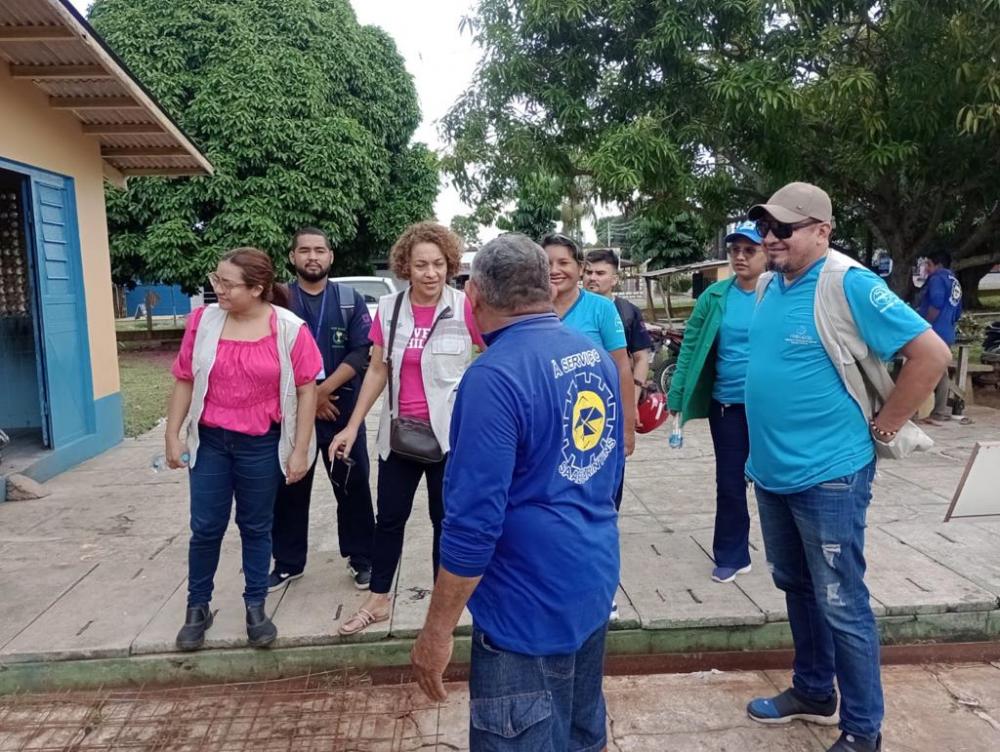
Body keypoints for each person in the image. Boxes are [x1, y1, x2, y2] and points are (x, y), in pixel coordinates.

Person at [743, 183, 951, 752]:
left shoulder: (847, 282)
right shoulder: (769, 284)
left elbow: (932, 354)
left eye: (784, 228)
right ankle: (814, 691)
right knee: (797, 586)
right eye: (765, 227)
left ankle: (862, 729)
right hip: (772, 473)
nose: (770, 238)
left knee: (841, 602)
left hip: (830, 474)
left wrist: (885, 427)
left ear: (822, 231)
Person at [410, 234, 622, 752]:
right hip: (591, 582)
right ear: (545, 288)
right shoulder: (592, 354)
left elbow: (472, 524)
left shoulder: (494, 377)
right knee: (581, 733)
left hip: (523, 612)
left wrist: (437, 632)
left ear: (474, 295)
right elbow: (609, 476)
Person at [329, 222, 485, 636]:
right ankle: (378, 598)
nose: (430, 273)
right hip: (400, 435)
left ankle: (443, 605)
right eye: (421, 265)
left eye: (438, 264)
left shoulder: (464, 307)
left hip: (449, 438)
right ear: (405, 267)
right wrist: (352, 425)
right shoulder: (390, 309)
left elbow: (492, 356)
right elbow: (377, 370)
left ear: (449, 264)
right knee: (389, 519)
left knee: (445, 521)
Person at [165, 248, 323, 651]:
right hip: (210, 442)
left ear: (256, 288)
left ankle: (256, 607)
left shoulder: (289, 328)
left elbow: (307, 390)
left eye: (227, 284)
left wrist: (300, 449)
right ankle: (197, 607)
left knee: (256, 526)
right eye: (215, 279)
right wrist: (173, 434)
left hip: (261, 443)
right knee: (205, 527)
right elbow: (185, 378)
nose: (217, 289)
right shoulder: (203, 322)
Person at [269, 228, 376, 592]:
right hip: (291, 412)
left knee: (353, 485)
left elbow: (361, 353)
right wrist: (308, 400)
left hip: (341, 411)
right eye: (304, 250)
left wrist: (319, 393)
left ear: (331, 256)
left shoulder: (349, 300)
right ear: (292, 257)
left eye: (319, 250)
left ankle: (362, 558)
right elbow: (270, 353)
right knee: (289, 486)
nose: (312, 257)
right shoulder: (278, 299)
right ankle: (288, 562)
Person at [666, 220, 767, 584]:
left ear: (767, 253)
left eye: (749, 250)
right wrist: (677, 394)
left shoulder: (781, 292)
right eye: (735, 250)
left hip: (772, 407)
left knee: (778, 482)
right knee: (729, 483)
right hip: (727, 406)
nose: (740, 257)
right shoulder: (715, 297)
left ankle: (793, 553)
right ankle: (732, 554)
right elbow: (691, 345)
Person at [543, 234, 636, 457]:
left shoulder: (601, 308)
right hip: (546, 424)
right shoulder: (532, 309)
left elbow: (622, 368)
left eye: (563, 263)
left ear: (580, 268)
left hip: (593, 419)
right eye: (547, 263)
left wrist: (627, 428)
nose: (554, 270)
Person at [584, 248, 653, 397]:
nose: (592, 277)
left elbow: (641, 358)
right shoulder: (571, 309)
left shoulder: (628, 312)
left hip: (618, 392)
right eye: (588, 272)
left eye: (600, 273)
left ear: (614, 280)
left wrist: (633, 397)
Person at [917, 250, 962, 422]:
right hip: (947, 331)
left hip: (933, 331)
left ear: (938, 265)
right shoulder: (954, 281)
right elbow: (958, 312)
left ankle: (915, 410)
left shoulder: (937, 279)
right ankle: (940, 410)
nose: (927, 268)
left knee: (921, 368)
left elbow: (935, 303)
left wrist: (924, 326)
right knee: (940, 371)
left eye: (929, 264)